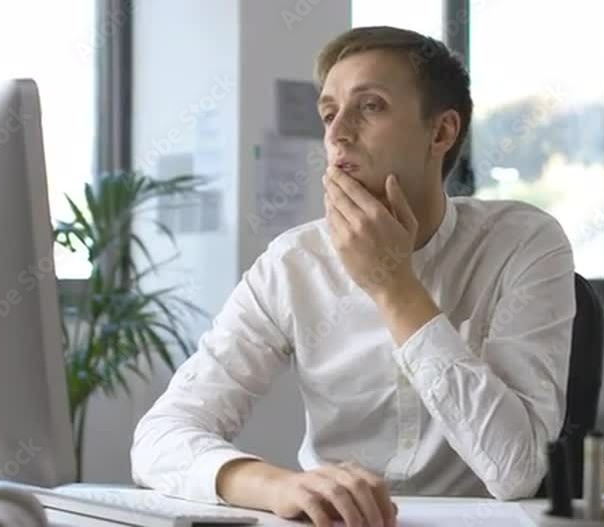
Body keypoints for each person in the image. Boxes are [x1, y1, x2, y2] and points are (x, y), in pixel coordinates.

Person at [131, 25, 576, 527]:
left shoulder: (524, 242)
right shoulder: (293, 263)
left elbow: (517, 469)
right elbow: (160, 436)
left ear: (442, 132)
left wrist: (393, 286)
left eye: (371, 106)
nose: (337, 132)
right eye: (328, 113)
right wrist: (277, 486)